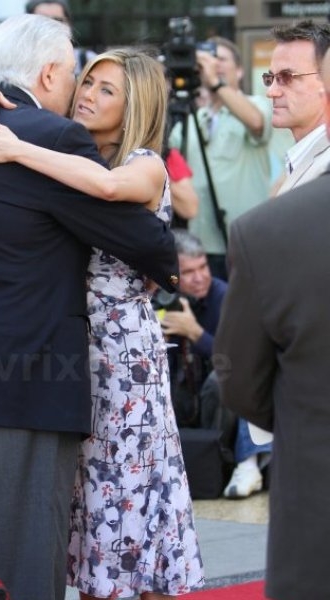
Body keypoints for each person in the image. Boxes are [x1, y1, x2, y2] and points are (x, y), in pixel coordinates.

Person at [0, 15, 180, 600]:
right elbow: (147, 241)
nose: (79, 92)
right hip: (23, 373)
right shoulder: (50, 138)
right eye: (79, 77)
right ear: (51, 72)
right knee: (27, 558)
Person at [213, 45, 330, 600]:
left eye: (290, 76)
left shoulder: (274, 225)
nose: (274, 88)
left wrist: (298, 415)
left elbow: (239, 374)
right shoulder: (279, 204)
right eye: (269, 76)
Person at [158, 229, 272, 498]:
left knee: (223, 377)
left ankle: (226, 462)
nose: (200, 278)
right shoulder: (161, 301)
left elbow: (239, 362)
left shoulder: (225, 296)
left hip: (222, 404)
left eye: (203, 267)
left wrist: (194, 332)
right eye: (188, 272)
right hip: (180, 399)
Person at [169, 36, 273, 281]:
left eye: (221, 59)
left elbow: (256, 123)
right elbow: (166, 156)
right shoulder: (194, 117)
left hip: (246, 243)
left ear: (239, 70)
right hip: (200, 249)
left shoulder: (257, 104)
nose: (213, 64)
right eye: (207, 58)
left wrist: (215, 82)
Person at [266, 19, 330, 195]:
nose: (271, 92)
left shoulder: (325, 167)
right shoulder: (304, 157)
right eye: (269, 78)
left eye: (286, 77)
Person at [25, 0, 97, 76]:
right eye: (43, 21)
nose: (51, 26)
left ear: (69, 24)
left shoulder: (87, 60)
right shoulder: (18, 65)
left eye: (58, 20)